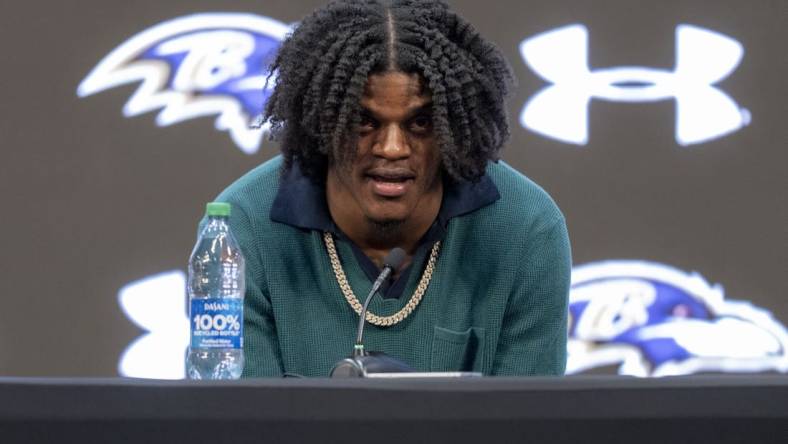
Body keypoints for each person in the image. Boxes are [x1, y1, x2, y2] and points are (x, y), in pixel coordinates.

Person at [211, 0, 571, 377]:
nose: (392, 148)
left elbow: (528, 426)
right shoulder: (242, 229)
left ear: (455, 129)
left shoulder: (526, 227)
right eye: (364, 121)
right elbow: (242, 421)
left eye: (420, 122)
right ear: (322, 123)